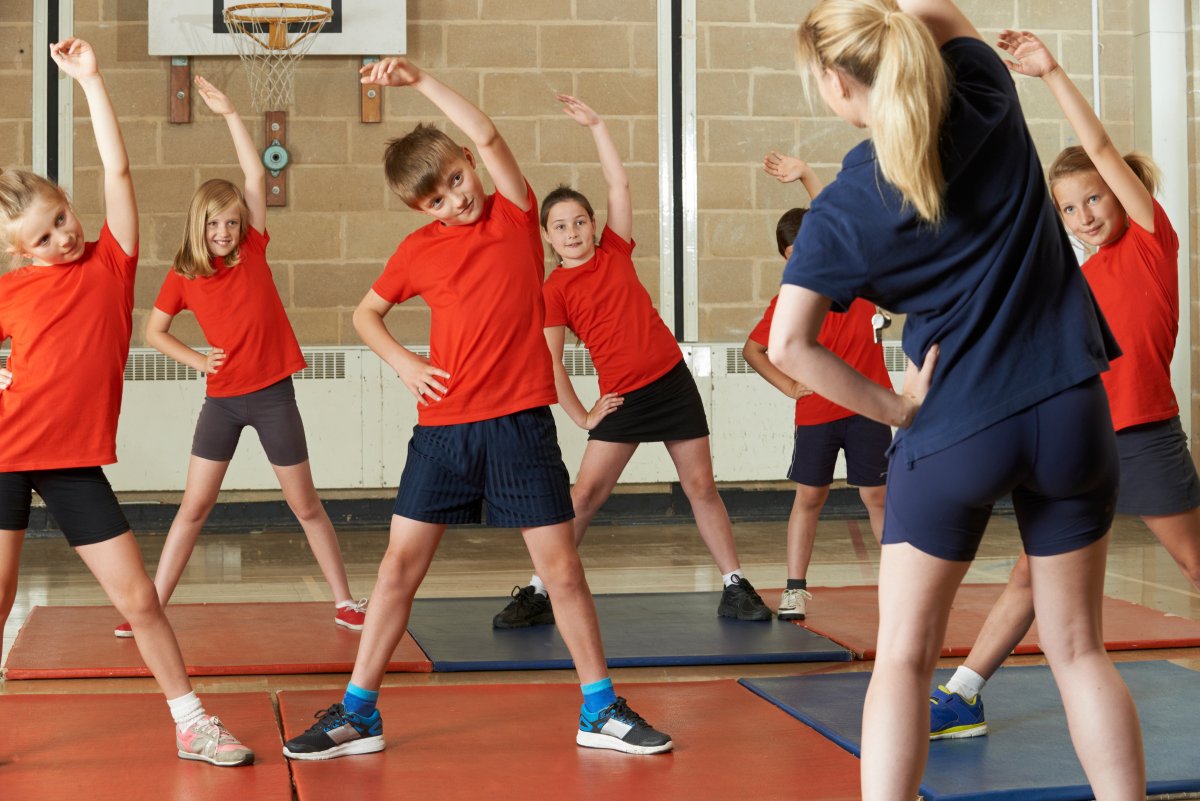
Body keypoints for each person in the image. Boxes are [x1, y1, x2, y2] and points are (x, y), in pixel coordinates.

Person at [768, 1, 1144, 799]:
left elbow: (787, 346)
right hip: (1071, 408)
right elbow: (935, 12)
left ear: (839, 86)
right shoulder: (984, 91)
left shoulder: (844, 204)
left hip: (956, 427)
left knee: (905, 656)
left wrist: (893, 407)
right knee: (1079, 649)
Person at [281, 58, 672, 761]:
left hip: (521, 425)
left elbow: (490, 134)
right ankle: (358, 712)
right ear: (418, 211)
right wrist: (404, 362)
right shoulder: (416, 251)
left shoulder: (517, 216)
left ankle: (600, 707)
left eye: (457, 182)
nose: (455, 201)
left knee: (561, 572)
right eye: (436, 200)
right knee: (398, 569)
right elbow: (366, 314)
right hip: (442, 431)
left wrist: (420, 81)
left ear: (468, 164)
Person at [929, 29, 1200, 741]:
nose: (1083, 217)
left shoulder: (1149, 239)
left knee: (1193, 559)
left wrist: (1050, 74)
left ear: (1119, 194)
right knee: (1030, 574)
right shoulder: (1079, 275)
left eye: (1092, 201)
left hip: (1142, 436)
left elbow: (1102, 149)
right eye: (1070, 209)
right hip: (1079, 441)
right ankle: (963, 692)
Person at [0, 39, 252, 767]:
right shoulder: (13, 289)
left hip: (74, 461)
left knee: (139, 597)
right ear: (21, 251)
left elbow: (117, 168)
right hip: (9, 452)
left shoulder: (112, 262)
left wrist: (91, 81)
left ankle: (191, 720)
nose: (62, 233)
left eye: (61, 216)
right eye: (43, 236)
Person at [491, 95, 770, 630]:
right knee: (585, 495)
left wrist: (599, 124)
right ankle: (539, 588)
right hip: (622, 398)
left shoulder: (616, 251)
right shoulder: (554, 288)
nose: (572, 232)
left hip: (671, 383)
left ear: (594, 225)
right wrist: (582, 416)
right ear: (548, 237)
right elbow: (550, 361)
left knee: (701, 488)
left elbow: (619, 185)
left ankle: (735, 583)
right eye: (560, 227)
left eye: (579, 222)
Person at [118, 76, 364, 638]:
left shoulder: (254, 247)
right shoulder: (184, 276)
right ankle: (150, 605)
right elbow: (153, 333)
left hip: (273, 394)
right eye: (215, 222)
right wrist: (198, 360)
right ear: (198, 226)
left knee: (305, 505)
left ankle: (345, 599)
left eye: (232, 221)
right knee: (193, 507)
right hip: (222, 402)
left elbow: (255, 176)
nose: (225, 231)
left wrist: (229, 112)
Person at [744, 152, 891, 621]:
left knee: (877, 497)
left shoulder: (855, 278)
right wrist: (788, 386)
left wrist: (808, 174)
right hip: (818, 414)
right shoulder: (789, 301)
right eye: (793, 259)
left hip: (868, 406)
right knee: (809, 496)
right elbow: (753, 349)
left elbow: (834, 217)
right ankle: (794, 588)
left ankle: (899, 586)